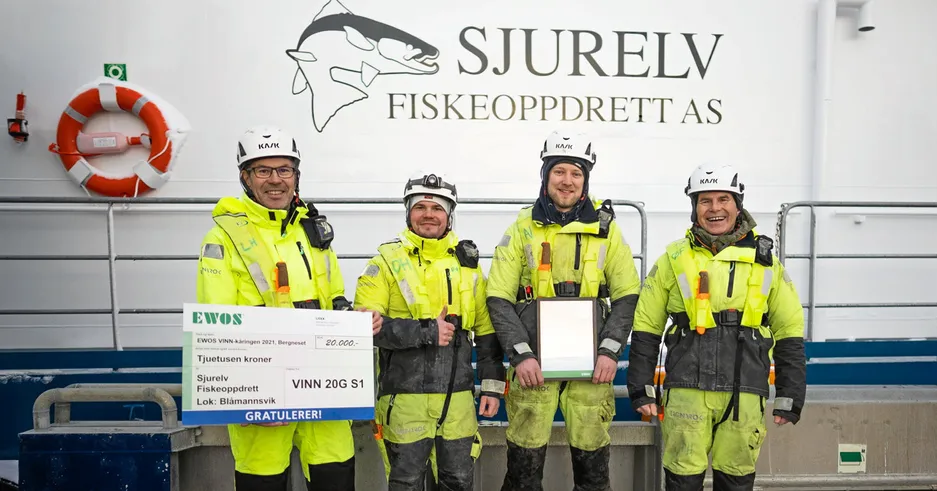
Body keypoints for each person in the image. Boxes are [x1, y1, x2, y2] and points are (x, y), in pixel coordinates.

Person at [196, 125, 381, 491]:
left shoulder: (313, 230)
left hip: (321, 381)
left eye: (284, 170)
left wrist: (356, 320)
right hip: (260, 389)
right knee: (262, 480)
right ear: (245, 177)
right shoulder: (223, 236)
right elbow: (216, 325)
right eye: (263, 170)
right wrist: (246, 402)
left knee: (335, 475)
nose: (275, 180)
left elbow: (335, 299)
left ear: (296, 176)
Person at [626, 162, 807, 491]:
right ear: (694, 208)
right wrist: (641, 388)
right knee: (682, 478)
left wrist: (791, 393)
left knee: (737, 479)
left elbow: (789, 329)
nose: (715, 209)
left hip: (745, 393)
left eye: (723, 199)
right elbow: (646, 327)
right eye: (704, 201)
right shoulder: (673, 258)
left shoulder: (767, 262)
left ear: (738, 205)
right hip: (686, 392)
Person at [485, 130, 641, 491]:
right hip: (533, 367)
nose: (567, 181)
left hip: (591, 369)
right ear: (545, 176)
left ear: (585, 180)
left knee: (593, 478)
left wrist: (610, 350)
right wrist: (521, 355)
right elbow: (498, 297)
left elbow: (627, 295)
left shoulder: (607, 231)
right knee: (522, 475)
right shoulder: (522, 228)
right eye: (559, 171)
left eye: (576, 173)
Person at [354, 173, 506, 491]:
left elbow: (488, 333)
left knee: (457, 482)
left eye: (437, 208)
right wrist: (425, 331)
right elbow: (366, 328)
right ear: (408, 212)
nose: (428, 214)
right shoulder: (384, 262)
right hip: (404, 401)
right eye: (420, 206)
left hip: (458, 403)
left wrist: (492, 388)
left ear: (449, 215)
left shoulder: (469, 266)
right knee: (406, 484)